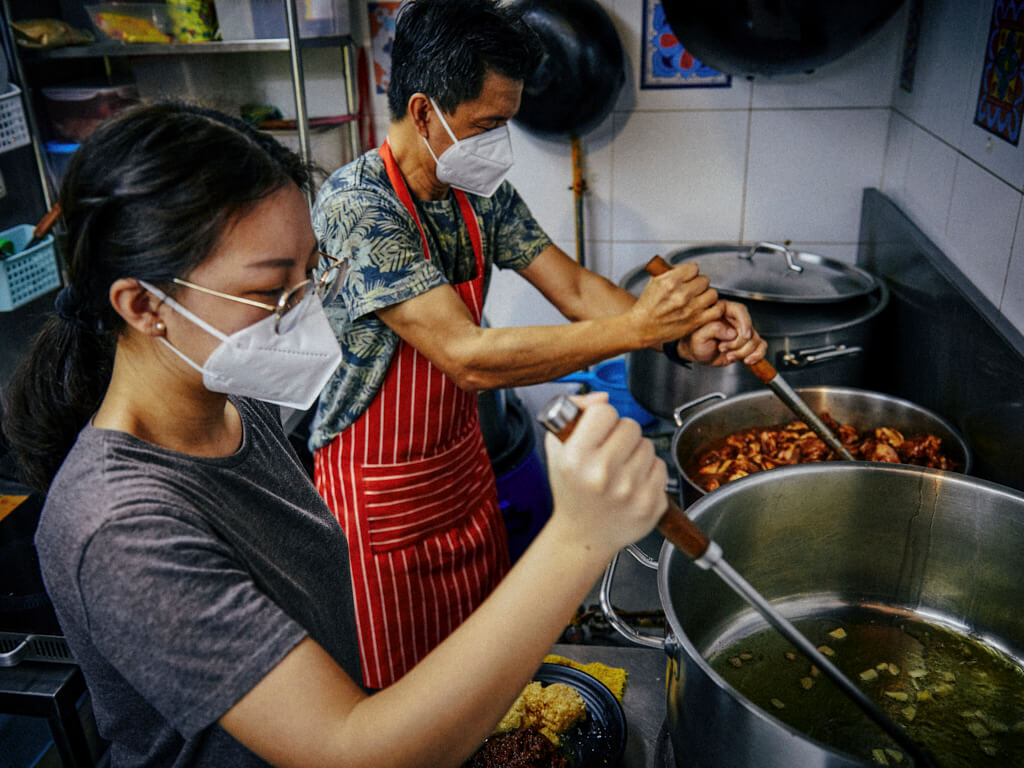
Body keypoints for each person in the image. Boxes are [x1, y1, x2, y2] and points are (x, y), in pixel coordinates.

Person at [0, 102, 669, 768]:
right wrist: (578, 539)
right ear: (145, 306)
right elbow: (345, 750)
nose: (308, 313)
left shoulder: (237, 400)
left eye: (312, 274)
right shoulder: (117, 526)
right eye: (271, 293)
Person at [310, 0, 768, 688]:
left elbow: (577, 290)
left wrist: (680, 337)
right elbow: (463, 355)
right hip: (380, 494)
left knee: (486, 677)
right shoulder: (358, 205)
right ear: (425, 111)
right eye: (487, 125)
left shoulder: (476, 190)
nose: (500, 142)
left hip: (463, 472)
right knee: (403, 701)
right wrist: (643, 326)